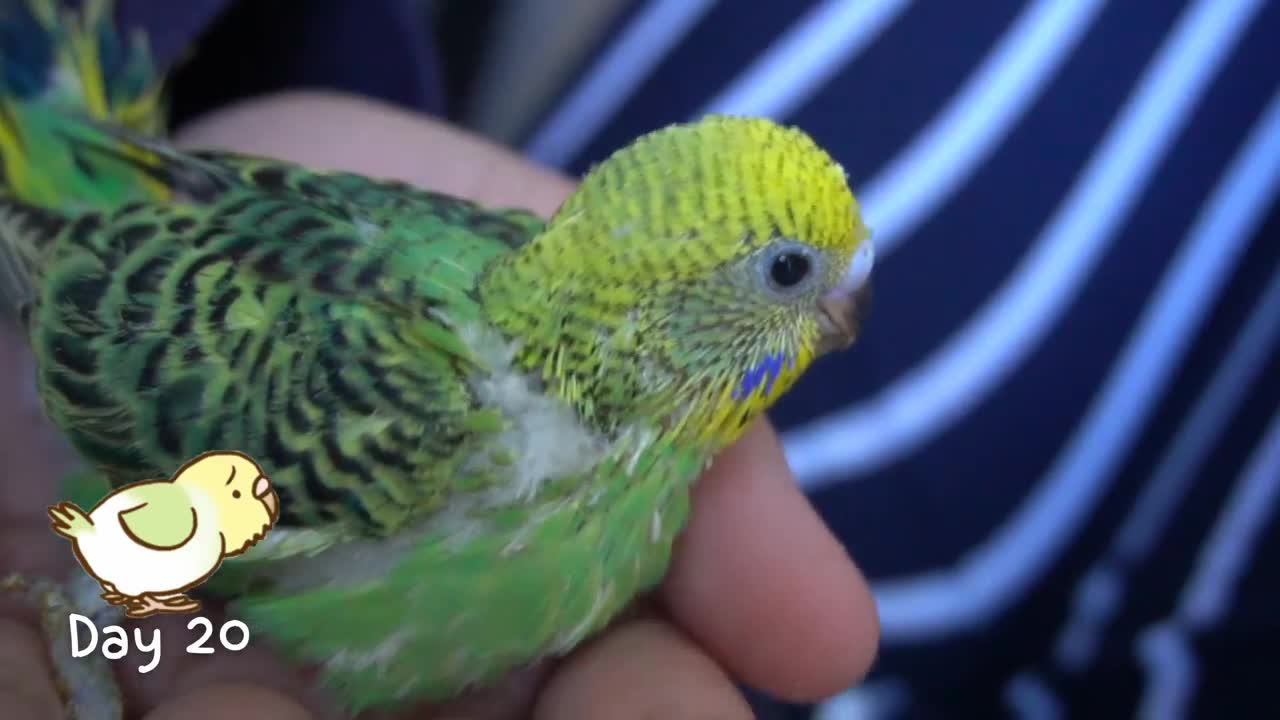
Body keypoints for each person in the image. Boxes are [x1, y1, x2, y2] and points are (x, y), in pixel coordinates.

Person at [0, 2, 877, 719]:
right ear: (668, 304)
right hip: (96, 263)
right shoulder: (419, 421)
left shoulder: (632, 459)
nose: (841, 311)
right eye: (789, 276)